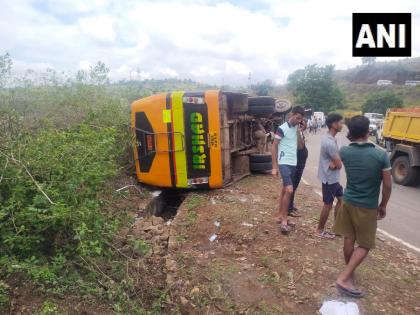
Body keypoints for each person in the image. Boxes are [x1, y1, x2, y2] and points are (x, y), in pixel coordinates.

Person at [334, 115, 392, 298]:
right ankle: (344, 278)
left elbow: (333, 165)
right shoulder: (381, 155)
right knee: (365, 244)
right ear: (368, 132)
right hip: (367, 206)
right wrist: (383, 205)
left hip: (348, 201)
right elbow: (388, 185)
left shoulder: (344, 151)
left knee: (348, 239)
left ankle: (349, 275)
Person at [271, 105, 305, 234]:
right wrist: (274, 167)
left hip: (293, 163)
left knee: (285, 189)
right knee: (290, 190)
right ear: (292, 115)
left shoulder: (297, 129)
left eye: (300, 119)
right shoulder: (282, 128)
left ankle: (280, 215)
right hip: (283, 162)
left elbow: (301, 147)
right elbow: (274, 147)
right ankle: (284, 220)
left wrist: (299, 132)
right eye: (297, 118)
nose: (298, 121)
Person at [315, 113, 344, 238]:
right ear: (334, 124)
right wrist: (337, 161)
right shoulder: (330, 143)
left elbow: (336, 162)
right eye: (340, 122)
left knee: (342, 201)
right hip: (329, 179)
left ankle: (337, 228)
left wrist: (336, 161)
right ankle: (319, 230)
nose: (342, 125)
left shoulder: (330, 138)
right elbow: (339, 165)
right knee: (328, 204)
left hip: (334, 179)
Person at [288, 118, 308, 217]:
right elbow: (300, 146)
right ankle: (289, 208)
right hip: (296, 163)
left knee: (294, 186)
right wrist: (299, 131)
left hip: (300, 162)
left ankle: (290, 205)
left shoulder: (299, 132)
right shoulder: (295, 132)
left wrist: (301, 131)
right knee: (293, 185)